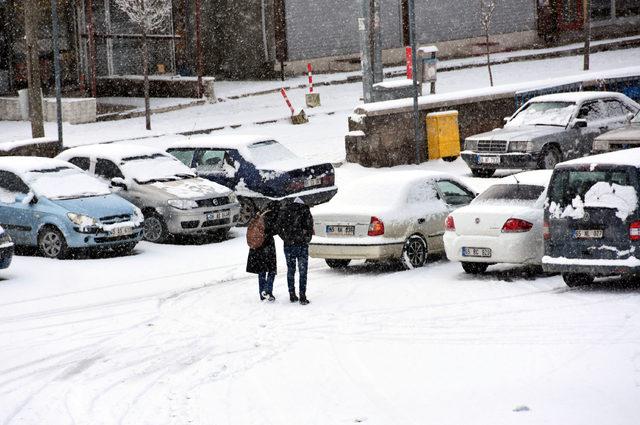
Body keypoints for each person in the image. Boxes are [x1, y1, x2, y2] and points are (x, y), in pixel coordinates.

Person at [278, 197, 314, 305]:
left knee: (291, 270)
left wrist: (286, 238)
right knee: (303, 271)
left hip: (289, 245)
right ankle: (302, 296)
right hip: (302, 245)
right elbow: (310, 227)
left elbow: (279, 228)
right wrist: (306, 239)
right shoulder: (305, 211)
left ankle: (292, 294)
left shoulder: (285, 211)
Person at [246, 201, 280, 301]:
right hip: (268, 245)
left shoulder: (261, 214)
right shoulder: (272, 216)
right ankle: (267, 290)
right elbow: (274, 230)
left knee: (262, 271)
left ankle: (262, 293)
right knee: (271, 270)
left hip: (258, 247)